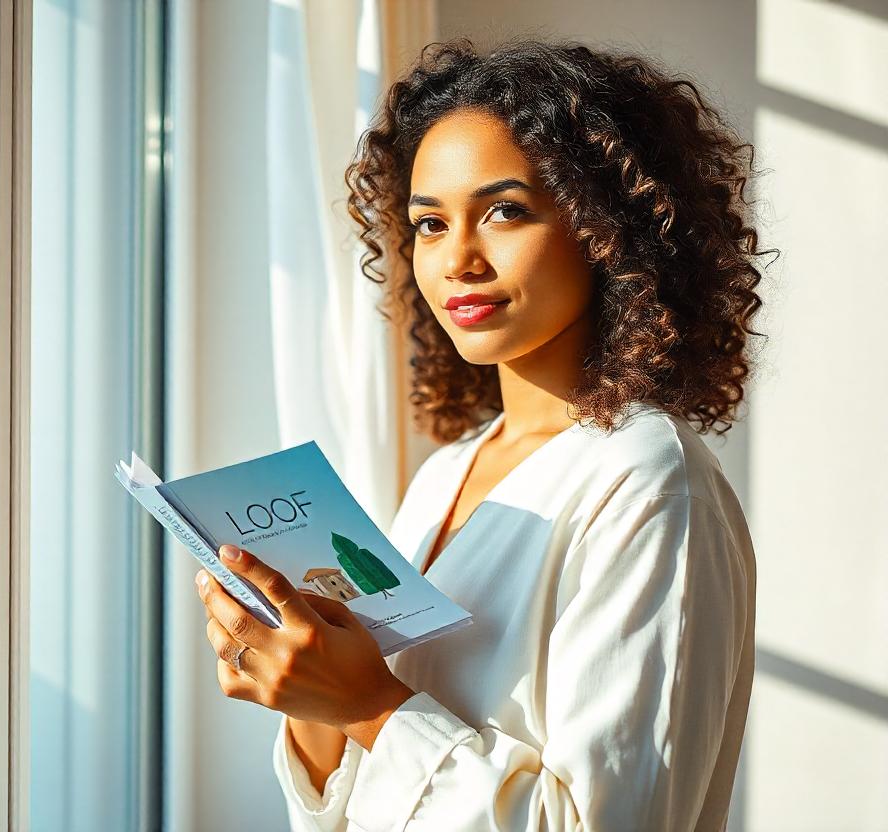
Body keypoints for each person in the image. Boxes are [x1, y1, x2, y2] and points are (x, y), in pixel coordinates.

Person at [194, 36, 773, 831]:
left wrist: (367, 702)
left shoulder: (648, 479)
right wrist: (310, 693)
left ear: (609, 228)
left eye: (504, 211)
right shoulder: (449, 474)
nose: (457, 258)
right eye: (429, 224)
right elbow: (361, 804)